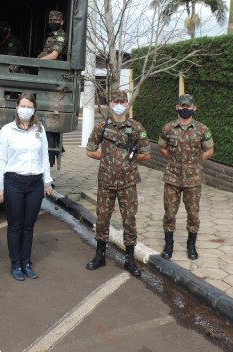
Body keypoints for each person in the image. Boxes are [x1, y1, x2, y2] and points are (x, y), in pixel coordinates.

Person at [85, 90, 151, 277]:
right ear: (111, 104)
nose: (120, 104)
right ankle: (100, 255)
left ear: (127, 104)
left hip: (128, 182)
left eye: (123, 101)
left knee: (129, 219)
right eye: (116, 101)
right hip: (106, 180)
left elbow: (147, 153)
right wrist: (107, 158)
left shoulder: (137, 128)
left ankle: (129, 259)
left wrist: (129, 159)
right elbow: (90, 150)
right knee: (102, 218)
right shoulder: (101, 127)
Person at [0, 92, 53, 280]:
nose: (26, 110)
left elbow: (45, 157)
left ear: (34, 109)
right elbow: (0, 160)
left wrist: (47, 182)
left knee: (29, 226)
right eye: (23, 106)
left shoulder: (39, 130)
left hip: (35, 183)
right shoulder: (7, 130)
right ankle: (15, 263)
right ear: (16, 108)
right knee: (15, 225)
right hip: (14, 183)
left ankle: (26, 261)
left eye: (29, 107)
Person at [157, 94, 214, 261]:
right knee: (169, 212)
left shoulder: (202, 129)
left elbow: (209, 150)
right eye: (182, 106)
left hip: (193, 178)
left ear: (194, 108)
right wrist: (173, 160)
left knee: (193, 214)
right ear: (177, 107)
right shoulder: (168, 128)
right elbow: (161, 146)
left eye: (188, 107)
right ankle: (169, 245)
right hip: (172, 177)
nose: (185, 109)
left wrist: (195, 162)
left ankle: (191, 245)